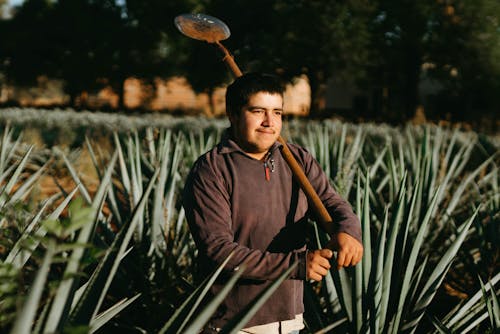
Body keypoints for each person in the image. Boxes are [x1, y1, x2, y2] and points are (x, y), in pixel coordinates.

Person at [183, 73, 363, 334]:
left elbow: (332, 201)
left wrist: (348, 230)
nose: (269, 122)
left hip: (290, 319)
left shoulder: (296, 159)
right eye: (258, 111)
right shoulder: (211, 170)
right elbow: (218, 251)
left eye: (277, 112)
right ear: (232, 114)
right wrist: (297, 265)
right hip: (234, 322)